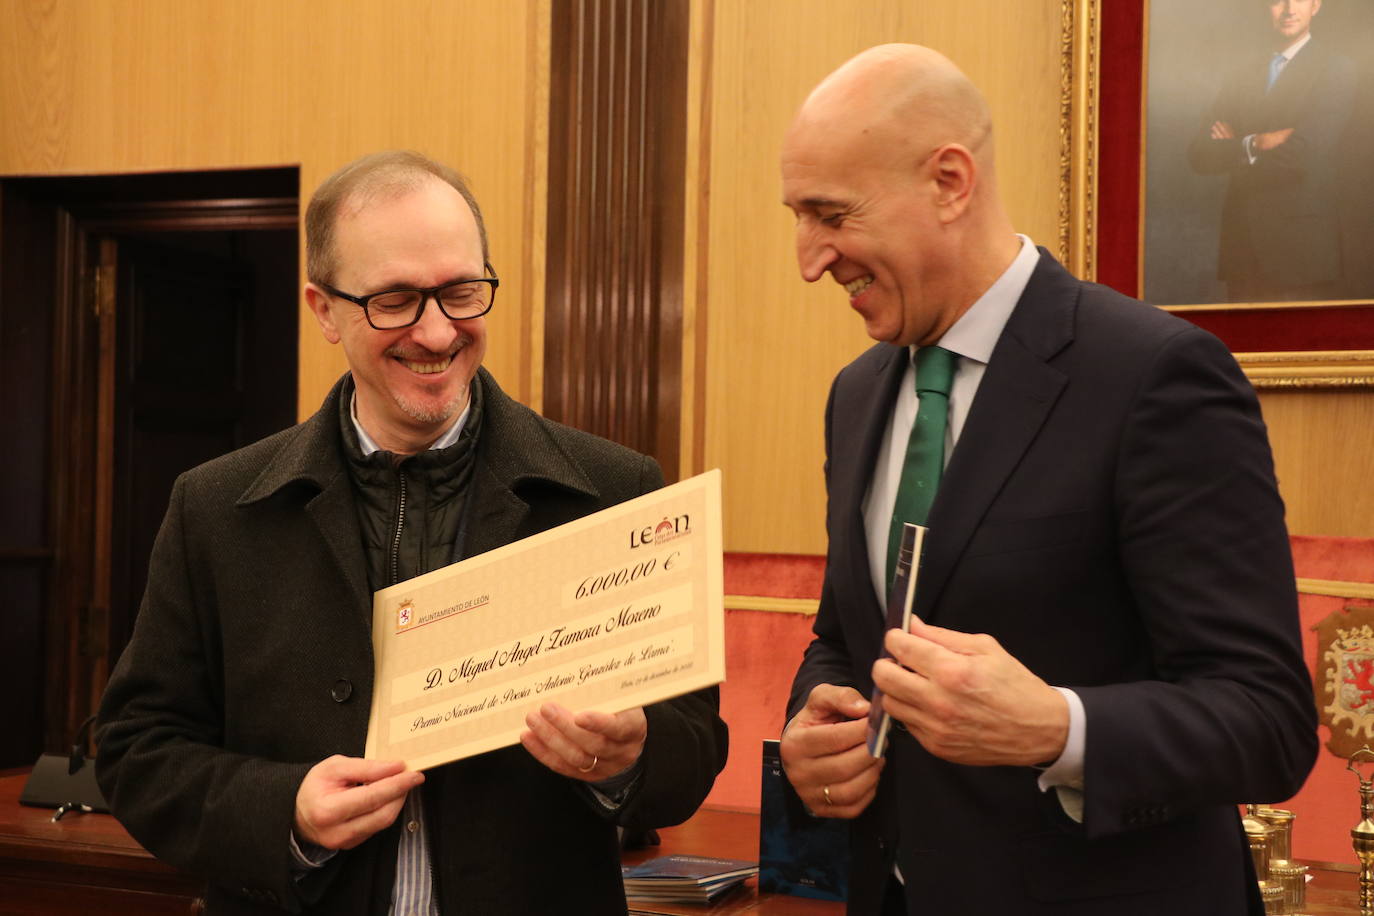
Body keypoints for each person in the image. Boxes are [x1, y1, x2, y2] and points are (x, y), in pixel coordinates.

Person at [96, 150, 727, 915]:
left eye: (461, 292)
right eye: (394, 300)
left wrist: (627, 759)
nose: (436, 333)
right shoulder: (217, 508)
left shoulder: (612, 489)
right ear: (323, 309)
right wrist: (284, 807)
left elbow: (693, 747)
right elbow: (136, 750)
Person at [778, 44, 1316, 915]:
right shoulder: (858, 394)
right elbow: (848, 637)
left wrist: (1057, 729)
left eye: (831, 215)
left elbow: (1266, 719)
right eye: (798, 217)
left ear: (951, 183)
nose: (809, 258)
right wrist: (815, 719)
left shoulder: (1156, 376)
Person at [1188, 0, 1356, 302]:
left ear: (1316, 5)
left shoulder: (1337, 70)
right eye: (1278, 1)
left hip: (1301, 254)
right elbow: (1199, 154)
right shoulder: (1242, 74)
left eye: (1299, 0)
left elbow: (1301, 156)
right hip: (1242, 250)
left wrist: (1234, 146)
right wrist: (1256, 142)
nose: (1289, 9)